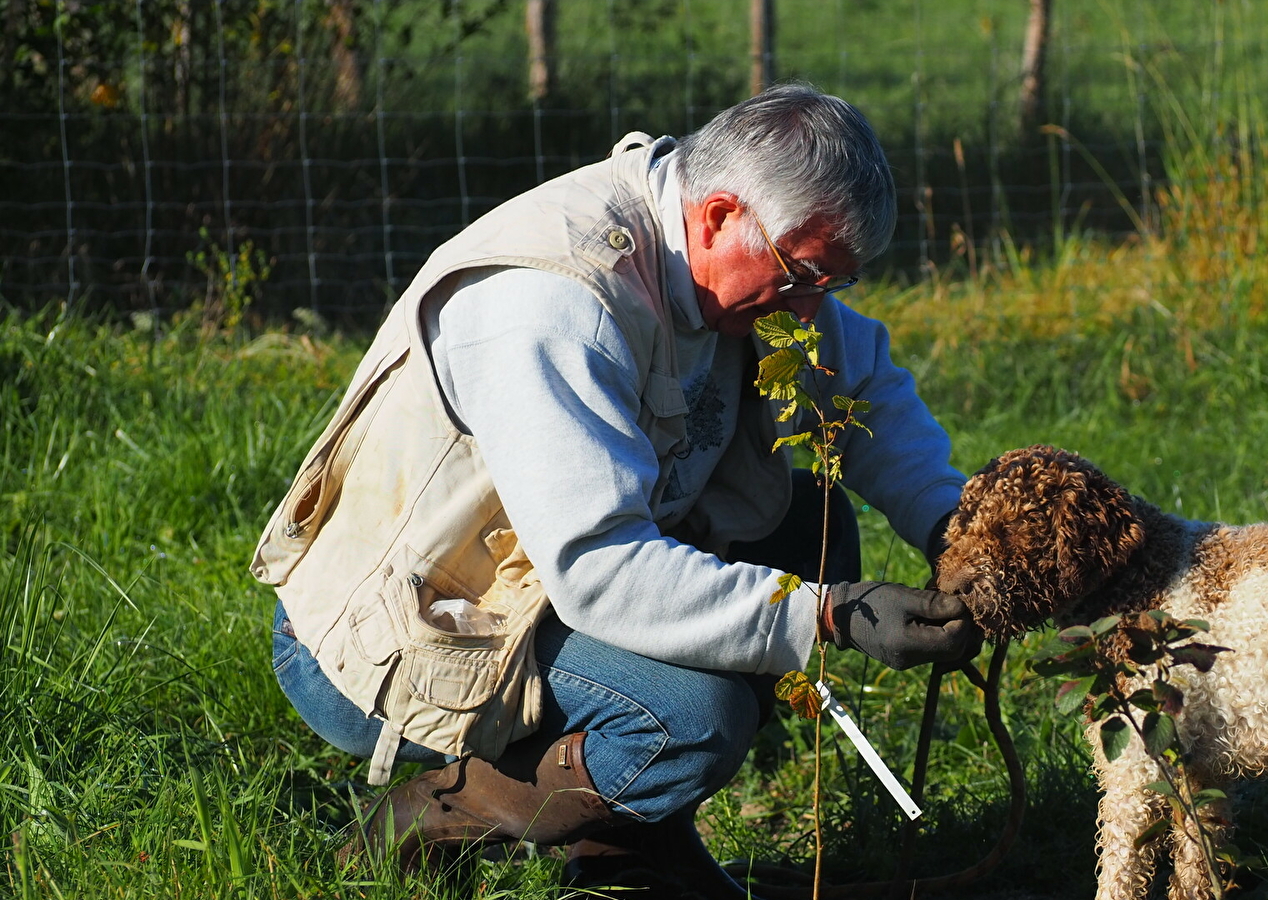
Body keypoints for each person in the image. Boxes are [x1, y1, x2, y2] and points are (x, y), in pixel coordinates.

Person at [254, 83, 977, 898]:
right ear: (716, 216)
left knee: (809, 526)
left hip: (549, 587)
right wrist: (829, 614)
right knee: (693, 718)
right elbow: (600, 569)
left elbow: (867, 394)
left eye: (832, 285)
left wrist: (963, 536)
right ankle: (438, 812)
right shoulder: (555, 301)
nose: (811, 308)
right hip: (407, 635)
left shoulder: (746, 260)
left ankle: (626, 852)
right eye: (805, 276)